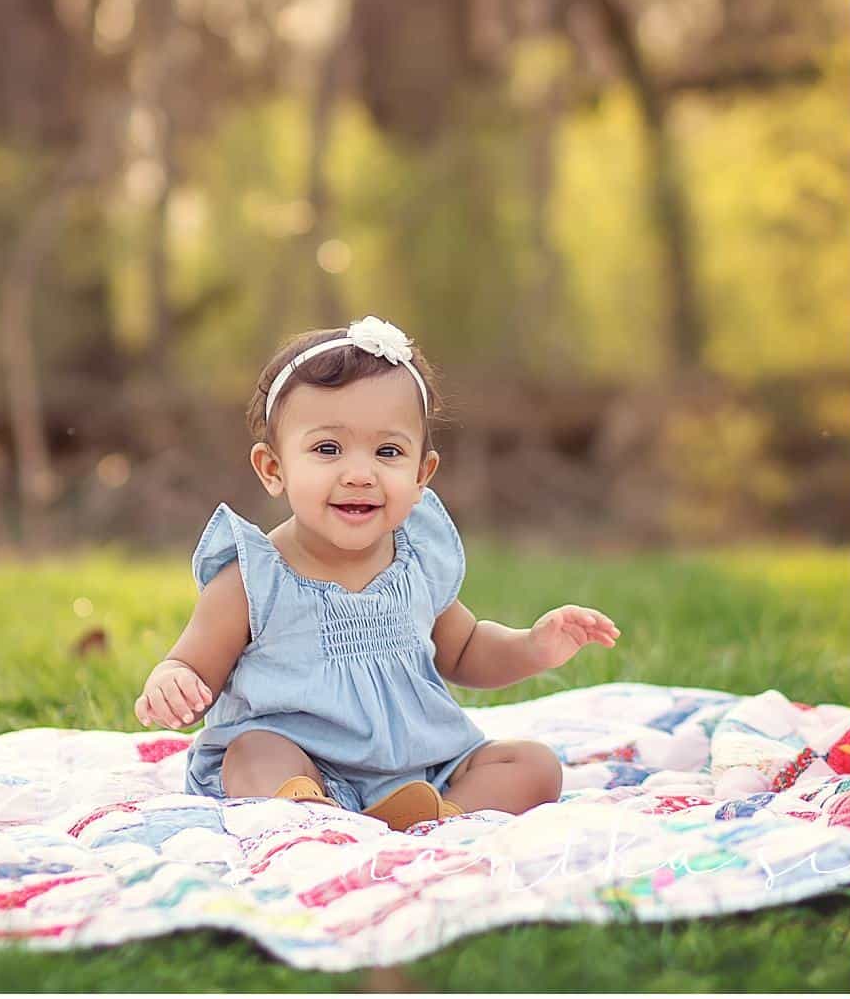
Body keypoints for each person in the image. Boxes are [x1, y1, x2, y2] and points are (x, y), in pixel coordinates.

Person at [134, 317, 619, 828]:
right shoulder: (254, 580)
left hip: (421, 768)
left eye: (388, 452)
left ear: (420, 475)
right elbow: (193, 666)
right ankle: (309, 813)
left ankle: (441, 817)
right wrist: (175, 681)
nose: (360, 473)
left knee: (534, 765)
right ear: (273, 469)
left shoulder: (415, 564)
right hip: (302, 761)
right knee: (253, 752)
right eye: (327, 449)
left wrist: (533, 646)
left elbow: (466, 649)